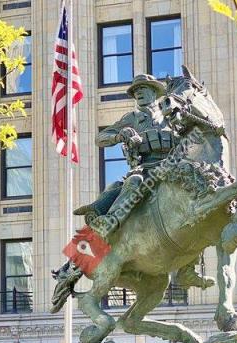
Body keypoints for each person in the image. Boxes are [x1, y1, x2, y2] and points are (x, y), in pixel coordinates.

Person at [75, 74, 180, 237]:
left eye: (142, 88)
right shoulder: (132, 118)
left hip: (174, 167)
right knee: (133, 182)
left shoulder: (169, 113)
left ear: (153, 91)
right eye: (135, 90)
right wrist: (119, 136)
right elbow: (100, 139)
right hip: (146, 169)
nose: (138, 92)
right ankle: (109, 222)